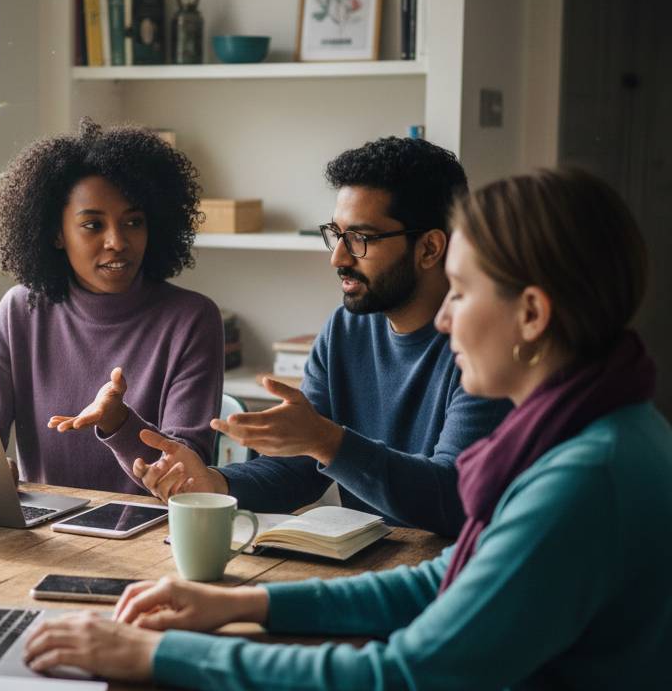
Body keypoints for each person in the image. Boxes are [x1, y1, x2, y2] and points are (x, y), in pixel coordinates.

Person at [25, 168, 671, 691]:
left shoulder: (581, 480)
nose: (446, 317)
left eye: (461, 292)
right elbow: (442, 584)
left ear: (533, 315)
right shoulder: (593, 431)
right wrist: (239, 603)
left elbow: (398, 687)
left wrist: (156, 654)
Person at [132, 136, 509, 537]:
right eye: (336, 234)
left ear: (430, 248)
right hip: (372, 565)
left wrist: (329, 442)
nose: (338, 258)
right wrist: (216, 484)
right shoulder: (345, 331)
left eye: (361, 239)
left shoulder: (485, 346)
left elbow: (453, 499)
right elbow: (297, 469)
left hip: (450, 571)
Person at [0, 119, 224, 495]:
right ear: (56, 233)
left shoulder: (191, 320)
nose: (117, 241)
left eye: (133, 222)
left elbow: (184, 478)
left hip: (148, 537)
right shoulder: (21, 311)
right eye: (93, 225)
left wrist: (119, 424)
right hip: (44, 534)